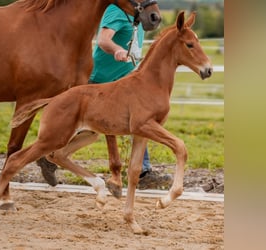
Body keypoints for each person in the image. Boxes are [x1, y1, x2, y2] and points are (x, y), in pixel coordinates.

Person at [40, 4, 172, 190]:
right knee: (90, 130)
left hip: (124, 82)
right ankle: (50, 153)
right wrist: (117, 50)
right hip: (101, 82)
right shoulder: (115, 10)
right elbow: (103, 40)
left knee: (138, 122)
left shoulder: (137, 16)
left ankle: (142, 172)